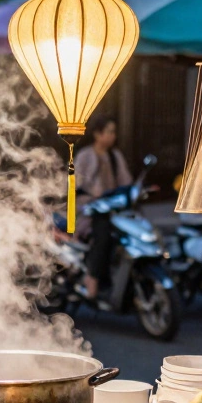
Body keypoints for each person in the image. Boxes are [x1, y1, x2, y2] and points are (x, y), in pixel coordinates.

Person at [73, 115, 132, 304]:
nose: (113, 136)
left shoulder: (115, 156)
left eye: (114, 132)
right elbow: (76, 184)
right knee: (103, 235)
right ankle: (92, 277)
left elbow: (126, 182)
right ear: (97, 134)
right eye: (109, 132)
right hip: (88, 211)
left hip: (112, 209)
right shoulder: (84, 156)